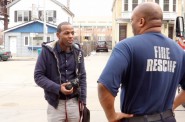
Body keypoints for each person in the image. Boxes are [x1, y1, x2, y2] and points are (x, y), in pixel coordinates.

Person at [97, 2, 185, 122]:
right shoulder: (179, 51)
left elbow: (104, 86)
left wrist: (111, 116)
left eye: (132, 20)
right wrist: (172, 106)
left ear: (141, 21)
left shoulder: (127, 47)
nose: (132, 23)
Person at [34, 22, 87, 122]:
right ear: (58, 35)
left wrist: (83, 101)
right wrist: (58, 88)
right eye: (67, 33)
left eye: (72, 33)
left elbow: (82, 76)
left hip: (74, 102)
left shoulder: (78, 52)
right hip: (55, 104)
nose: (71, 36)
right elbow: (38, 76)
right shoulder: (47, 52)